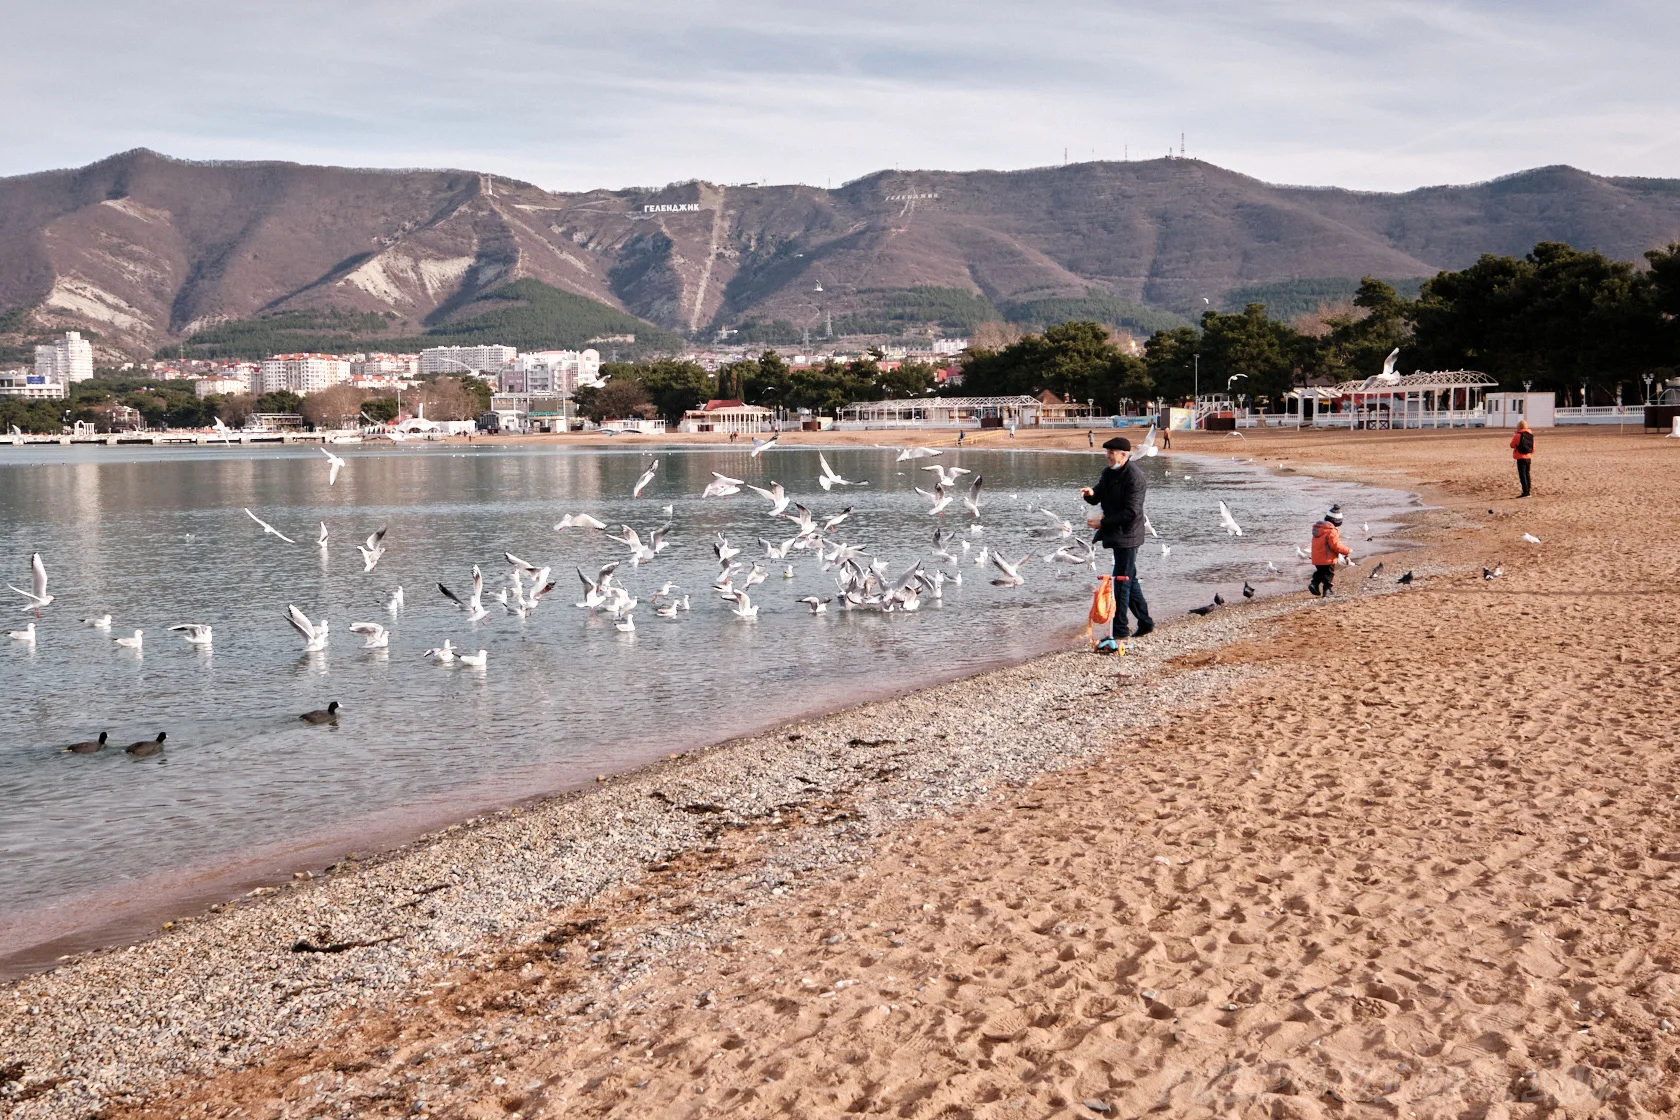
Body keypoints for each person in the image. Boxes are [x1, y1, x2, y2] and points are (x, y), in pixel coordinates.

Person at [1081, 436, 1154, 647]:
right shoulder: (1108, 473)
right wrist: (1090, 493)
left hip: (1129, 534)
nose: (1107, 456)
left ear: (1124, 455)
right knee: (1128, 578)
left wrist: (1102, 524)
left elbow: (1132, 512)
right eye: (1107, 452)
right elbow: (1098, 495)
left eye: (1110, 453)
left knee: (1121, 580)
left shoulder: (1135, 478)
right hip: (1116, 532)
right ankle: (1146, 622)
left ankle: (1120, 629)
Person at [1308, 505, 1351, 597]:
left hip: (1317, 559)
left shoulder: (1318, 530)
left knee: (1320, 572)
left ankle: (1314, 584)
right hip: (1327, 559)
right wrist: (1346, 551)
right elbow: (1335, 546)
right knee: (1328, 575)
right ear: (1338, 522)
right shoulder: (1331, 531)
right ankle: (1327, 591)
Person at [1510, 420, 1534, 496]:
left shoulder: (1517, 435)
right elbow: (1533, 447)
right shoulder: (1530, 435)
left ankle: (1525, 492)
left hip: (1520, 457)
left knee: (1522, 475)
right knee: (1527, 474)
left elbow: (1512, 445)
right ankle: (1528, 491)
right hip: (1528, 457)